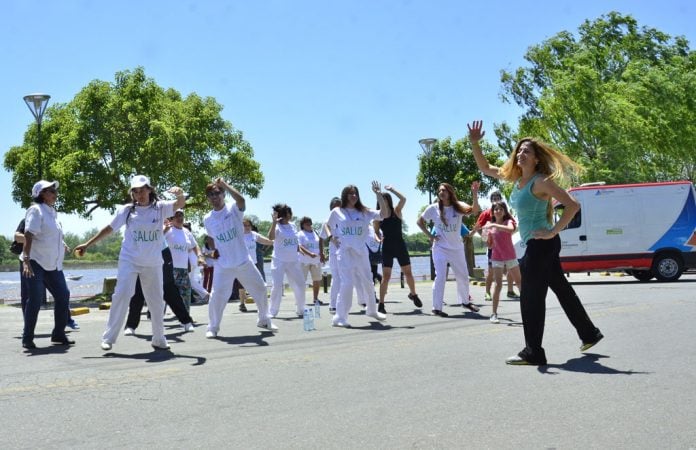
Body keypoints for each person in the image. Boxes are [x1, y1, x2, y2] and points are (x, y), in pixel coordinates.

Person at [469, 120, 604, 366]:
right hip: (543, 246)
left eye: (526, 151)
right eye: (519, 150)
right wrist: (475, 143)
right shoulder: (518, 179)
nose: (520, 153)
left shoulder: (540, 181)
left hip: (541, 245)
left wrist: (553, 231)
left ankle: (533, 351)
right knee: (562, 290)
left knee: (530, 296)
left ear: (536, 159)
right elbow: (485, 167)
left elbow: (573, 205)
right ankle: (589, 333)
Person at [75, 175, 186, 351]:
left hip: (153, 262)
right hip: (130, 260)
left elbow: (179, 205)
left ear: (150, 189)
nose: (139, 194)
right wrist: (88, 244)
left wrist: (180, 194)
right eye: (135, 191)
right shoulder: (127, 210)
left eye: (142, 190)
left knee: (156, 301)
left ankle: (159, 338)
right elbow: (109, 228)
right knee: (122, 294)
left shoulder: (160, 208)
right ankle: (109, 338)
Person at [203, 179, 276, 337]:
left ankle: (264, 319)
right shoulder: (207, 219)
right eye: (210, 195)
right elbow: (210, 237)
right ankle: (213, 328)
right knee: (217, 296)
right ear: (208, 198)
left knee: (260, 288)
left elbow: (241, 200)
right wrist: (214, 250)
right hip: (223, 264)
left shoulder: (233, 209)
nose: (214, 196)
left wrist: (225, 185)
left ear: (223, 194)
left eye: (217, 193)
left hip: (243, 260)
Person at [325, 182, 388, 327]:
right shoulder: (337, 212)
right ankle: (339, 317)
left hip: (361, 252)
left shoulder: (364, 212)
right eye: (350, 193)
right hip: (345, 252)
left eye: (355, 194)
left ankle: (372, 310)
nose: (353, 196)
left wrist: (378, 195)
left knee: (368, 281)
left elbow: (384, 214)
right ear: (345, 195)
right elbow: (327, 225)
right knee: (347, 283)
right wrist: (331, 237)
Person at [20, 180, 74, 349]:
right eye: (51, 190)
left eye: (54, 190)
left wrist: (62, 244)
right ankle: (27, 337)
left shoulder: (52, 212)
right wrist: (26, 261)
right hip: (35, 262)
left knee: (63, 296)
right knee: (35, 300)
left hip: (53, 264)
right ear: (41, 193)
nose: (54, 193)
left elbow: (50, 234)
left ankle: (58, 334)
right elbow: (29, 235)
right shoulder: (35, 210)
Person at [416, 182, 480, 317]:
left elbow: (475, 210)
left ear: (450, 192)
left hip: (456, 249)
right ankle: (436, 308)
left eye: (444, 190)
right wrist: (430, 236)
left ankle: (465, 302)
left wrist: (474, 193)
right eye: (439, 191)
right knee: (440, 277)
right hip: (440, 249)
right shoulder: (433, 208)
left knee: (463, 276)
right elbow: (419, 222)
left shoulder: (458, 206)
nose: (441, 193)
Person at [14, 222, 79, 329]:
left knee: (62, 292)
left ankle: (67, 320)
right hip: (31, 261)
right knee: (28, 294)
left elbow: (55, 238)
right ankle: (28, 328)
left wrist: (63, 244)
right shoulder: (28, 220)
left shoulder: (53, 220)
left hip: (49, 262)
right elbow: (17, 237)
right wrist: (37, 240)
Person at [124, 247, 196, 335]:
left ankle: (186, 322)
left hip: (161, 252)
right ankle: (131, 326)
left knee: (169, 289)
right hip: (142, 252)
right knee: (138, 290)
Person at [374, 185, 424, 314]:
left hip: (400, 245)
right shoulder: (378, 217)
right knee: (386, 276)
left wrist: (392, 190)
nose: (383, 202)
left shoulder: (397, 211)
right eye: (380, 200)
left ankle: (413, 294)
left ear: (389, 201)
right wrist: (378, 238)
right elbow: (375, 233)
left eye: (385, 200)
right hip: (387, 247)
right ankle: (381, 304)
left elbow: (403, 199)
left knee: (408, 273)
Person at [474, 191, 519, 301]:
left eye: (498, 197)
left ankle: (510, 291)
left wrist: (506, 235)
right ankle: (488, 292)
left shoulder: (505, 213)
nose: (496, 199)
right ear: (491, 200)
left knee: (510, 269)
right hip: (493, 249)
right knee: (491, 271)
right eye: (493, 198)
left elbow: (513, 227)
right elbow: (478, 228)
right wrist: (486, 239)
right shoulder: (486, 214)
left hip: (506, 247)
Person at [267, 203, 310, 318]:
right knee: (277, 286)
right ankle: (272, 311)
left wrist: (298, 250)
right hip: (279, 260)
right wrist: (273, 222)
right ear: (285, 214)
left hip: (293, 261)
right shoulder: (276, 227)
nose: (291, 215)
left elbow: (295, 241)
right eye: (289, 213)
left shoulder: (293, 226)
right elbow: (270, 238)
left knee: (300, 284)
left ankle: (301, 308)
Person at [483, 201, 522, 323]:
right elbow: (489, 244)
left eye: (500, 209)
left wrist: (494, 226)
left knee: (519, 282)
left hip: (510, 256)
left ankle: (528, 311)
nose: (498, 211)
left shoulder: (508, 222)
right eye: (495, 209)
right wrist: (486, 237)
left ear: (504, 211)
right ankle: (494, 314)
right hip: (496, 257)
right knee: (498, 285)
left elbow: (510, 230)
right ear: (493, 212)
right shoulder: (490, 226)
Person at [164, 210, 200, 312]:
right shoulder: (168, 230)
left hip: (183, 269)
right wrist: (164, 230)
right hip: (169, 269)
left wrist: (200, 256)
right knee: (166, 294)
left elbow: (194, 245)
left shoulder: (186, 232)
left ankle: (186, 318)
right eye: (176, 216)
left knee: (186, 294)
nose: (179, 218)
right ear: (172, 218)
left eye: (181, 215)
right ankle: (156, 316)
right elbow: (156, 240)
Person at [239, 217, 274, 312]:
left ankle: (261, 305)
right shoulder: (238, 235)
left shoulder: (254, 235)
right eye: (244, 225)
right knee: (242, 285)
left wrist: (275, 242)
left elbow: (266, 241)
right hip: (241, 263)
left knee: (259, 283)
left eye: (248, 225)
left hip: (253, 263)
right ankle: (242, 304)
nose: (247, 227)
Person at [320, 197, 342, 314]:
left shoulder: (345, 219)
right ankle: (333, 304)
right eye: (337, 206)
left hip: (347, 252)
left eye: (341, 205)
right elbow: (321, 238)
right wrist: (322, 253)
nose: (339, 208)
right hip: (334, 253)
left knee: (348, 278)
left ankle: (342, 302)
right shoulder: (327, 222)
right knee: (337, 278)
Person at [296, 216, 325, 305]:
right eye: (306, 223)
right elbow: (299, 246)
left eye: (310, 222)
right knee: (301, 281)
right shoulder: (300, 234)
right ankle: (300, 300)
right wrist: (309, 254)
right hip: (304, 260)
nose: (309, 224)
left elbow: (320, 243)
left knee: (317, 280)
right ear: (302, 225)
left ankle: (315, 299)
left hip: (316, 261)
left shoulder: (315, 232)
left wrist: (323, 253)